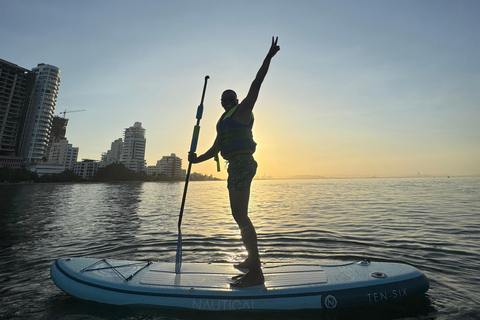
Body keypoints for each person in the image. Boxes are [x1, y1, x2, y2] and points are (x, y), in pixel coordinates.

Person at [188, 37, 280, 288]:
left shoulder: (242, 112)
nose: (228, 102)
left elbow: (256, 84)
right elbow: (216, 148)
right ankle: (251, 260)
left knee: (241, 216)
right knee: (239, 216)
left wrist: (268, 58)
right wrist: (196, 160)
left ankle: (256, 271)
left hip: (242, 163)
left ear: (237, 101)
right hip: (235, 165)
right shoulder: (224, 120)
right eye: (224, 100)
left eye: (231, 99)